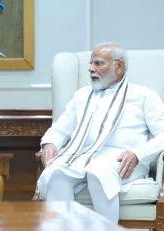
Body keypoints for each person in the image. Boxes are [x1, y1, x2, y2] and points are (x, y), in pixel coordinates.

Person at [36, 42, 164, 223]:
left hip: (124, 161)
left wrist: (137, 154)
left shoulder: (144, 96)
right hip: (82, 155)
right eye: (90, 63)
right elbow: (60, 127)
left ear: (119, 66)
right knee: (57, 174)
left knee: (98, 172)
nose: (90, 69)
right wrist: (51, 143)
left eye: (98, 63)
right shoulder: (81, 95)